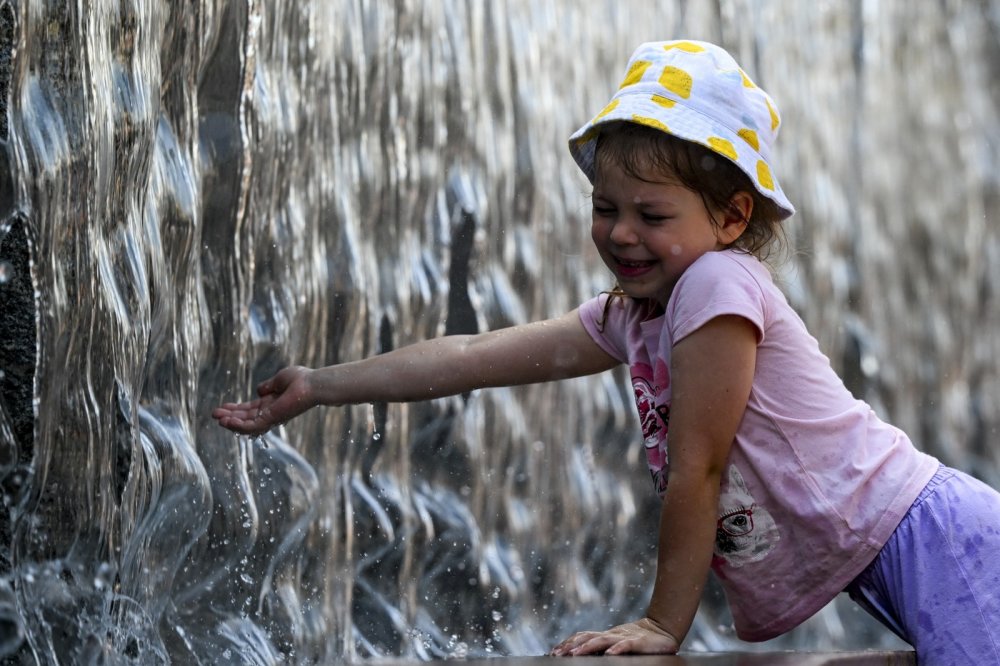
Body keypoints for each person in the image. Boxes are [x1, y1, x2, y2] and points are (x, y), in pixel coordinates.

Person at [214, 40, 1000, 663]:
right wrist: (320, 385)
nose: (622, 233)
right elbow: (474, 354)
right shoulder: (638, 313)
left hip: (945, 548)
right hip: (916, 562)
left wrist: (663, 624)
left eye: (652, 214)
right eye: (605, 208)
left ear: (731, 217)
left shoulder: (718, 286)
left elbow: (700, 466)